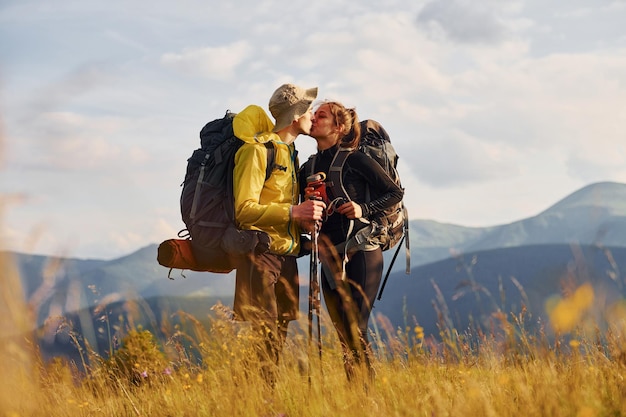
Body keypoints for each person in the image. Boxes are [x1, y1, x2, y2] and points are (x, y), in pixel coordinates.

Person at [300, 101, 404, 380]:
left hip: (362, 252)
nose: (313, 118)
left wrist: (363, 209)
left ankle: (366, 398)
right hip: (329, 258)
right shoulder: (308, 166)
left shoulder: (355, 159)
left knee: (356, 329)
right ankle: (357, 399)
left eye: (320, 115)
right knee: (345, 336)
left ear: (338, 127)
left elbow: (394, 192)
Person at [231, 84, 327, 385]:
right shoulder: (257, 151)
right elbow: (243, 210)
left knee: (280, 331)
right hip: (260, 253)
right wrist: (293, 213)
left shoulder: (290, 153)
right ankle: (261, 398)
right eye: (308, 109)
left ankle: (262, 395)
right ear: (296, 114)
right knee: (265, 334)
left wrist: (303, 220)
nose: (312, 114)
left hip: (287, 254)